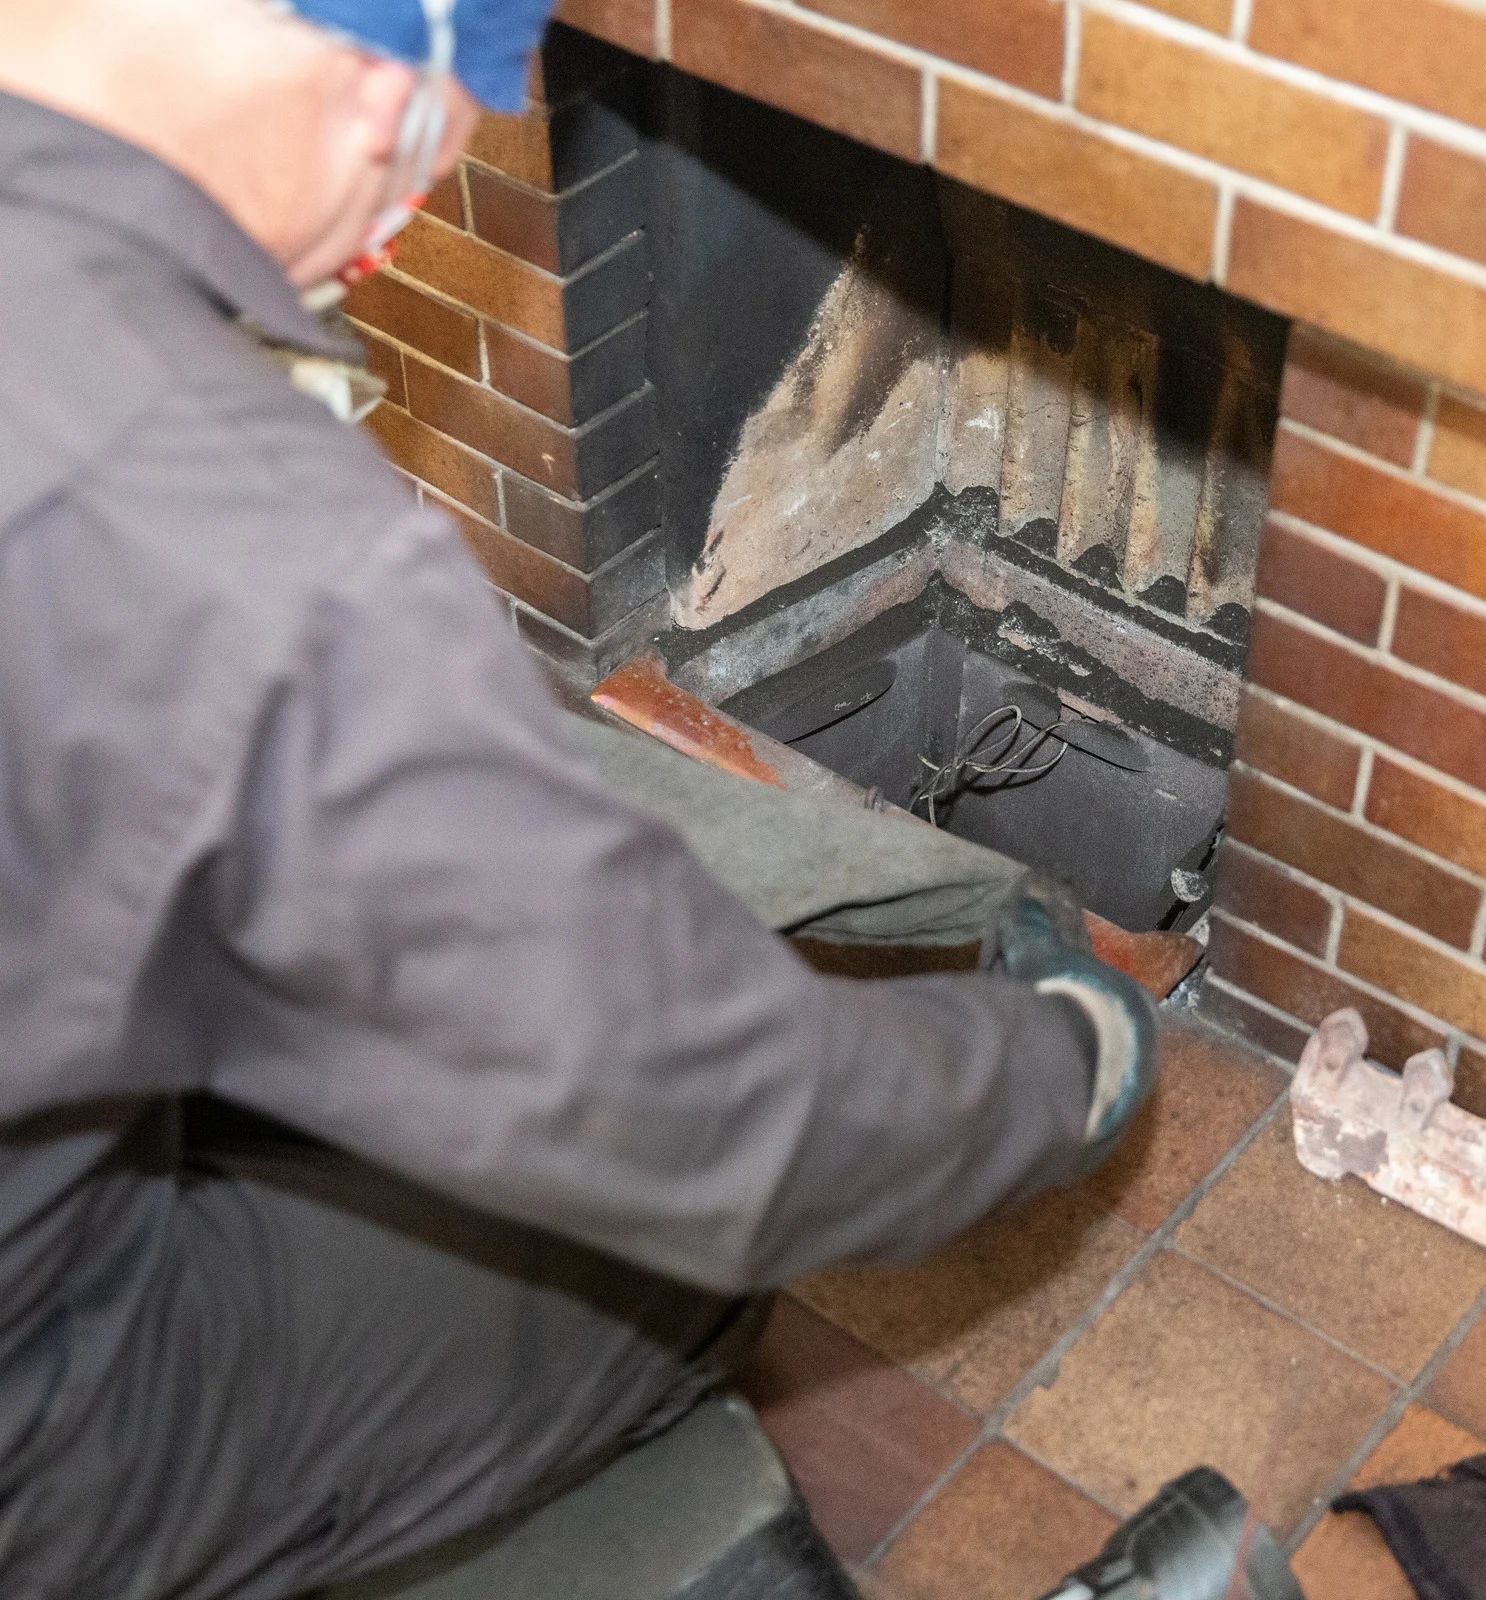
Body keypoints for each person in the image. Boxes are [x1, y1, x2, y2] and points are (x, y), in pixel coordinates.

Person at [0, 1, 1158, 1595]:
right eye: (422, 177)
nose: (366, 258)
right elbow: (709, 1121)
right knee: (652, 1258)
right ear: (367, 97)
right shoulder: (215, 526)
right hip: (39, 1432)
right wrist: (1060, 1065)